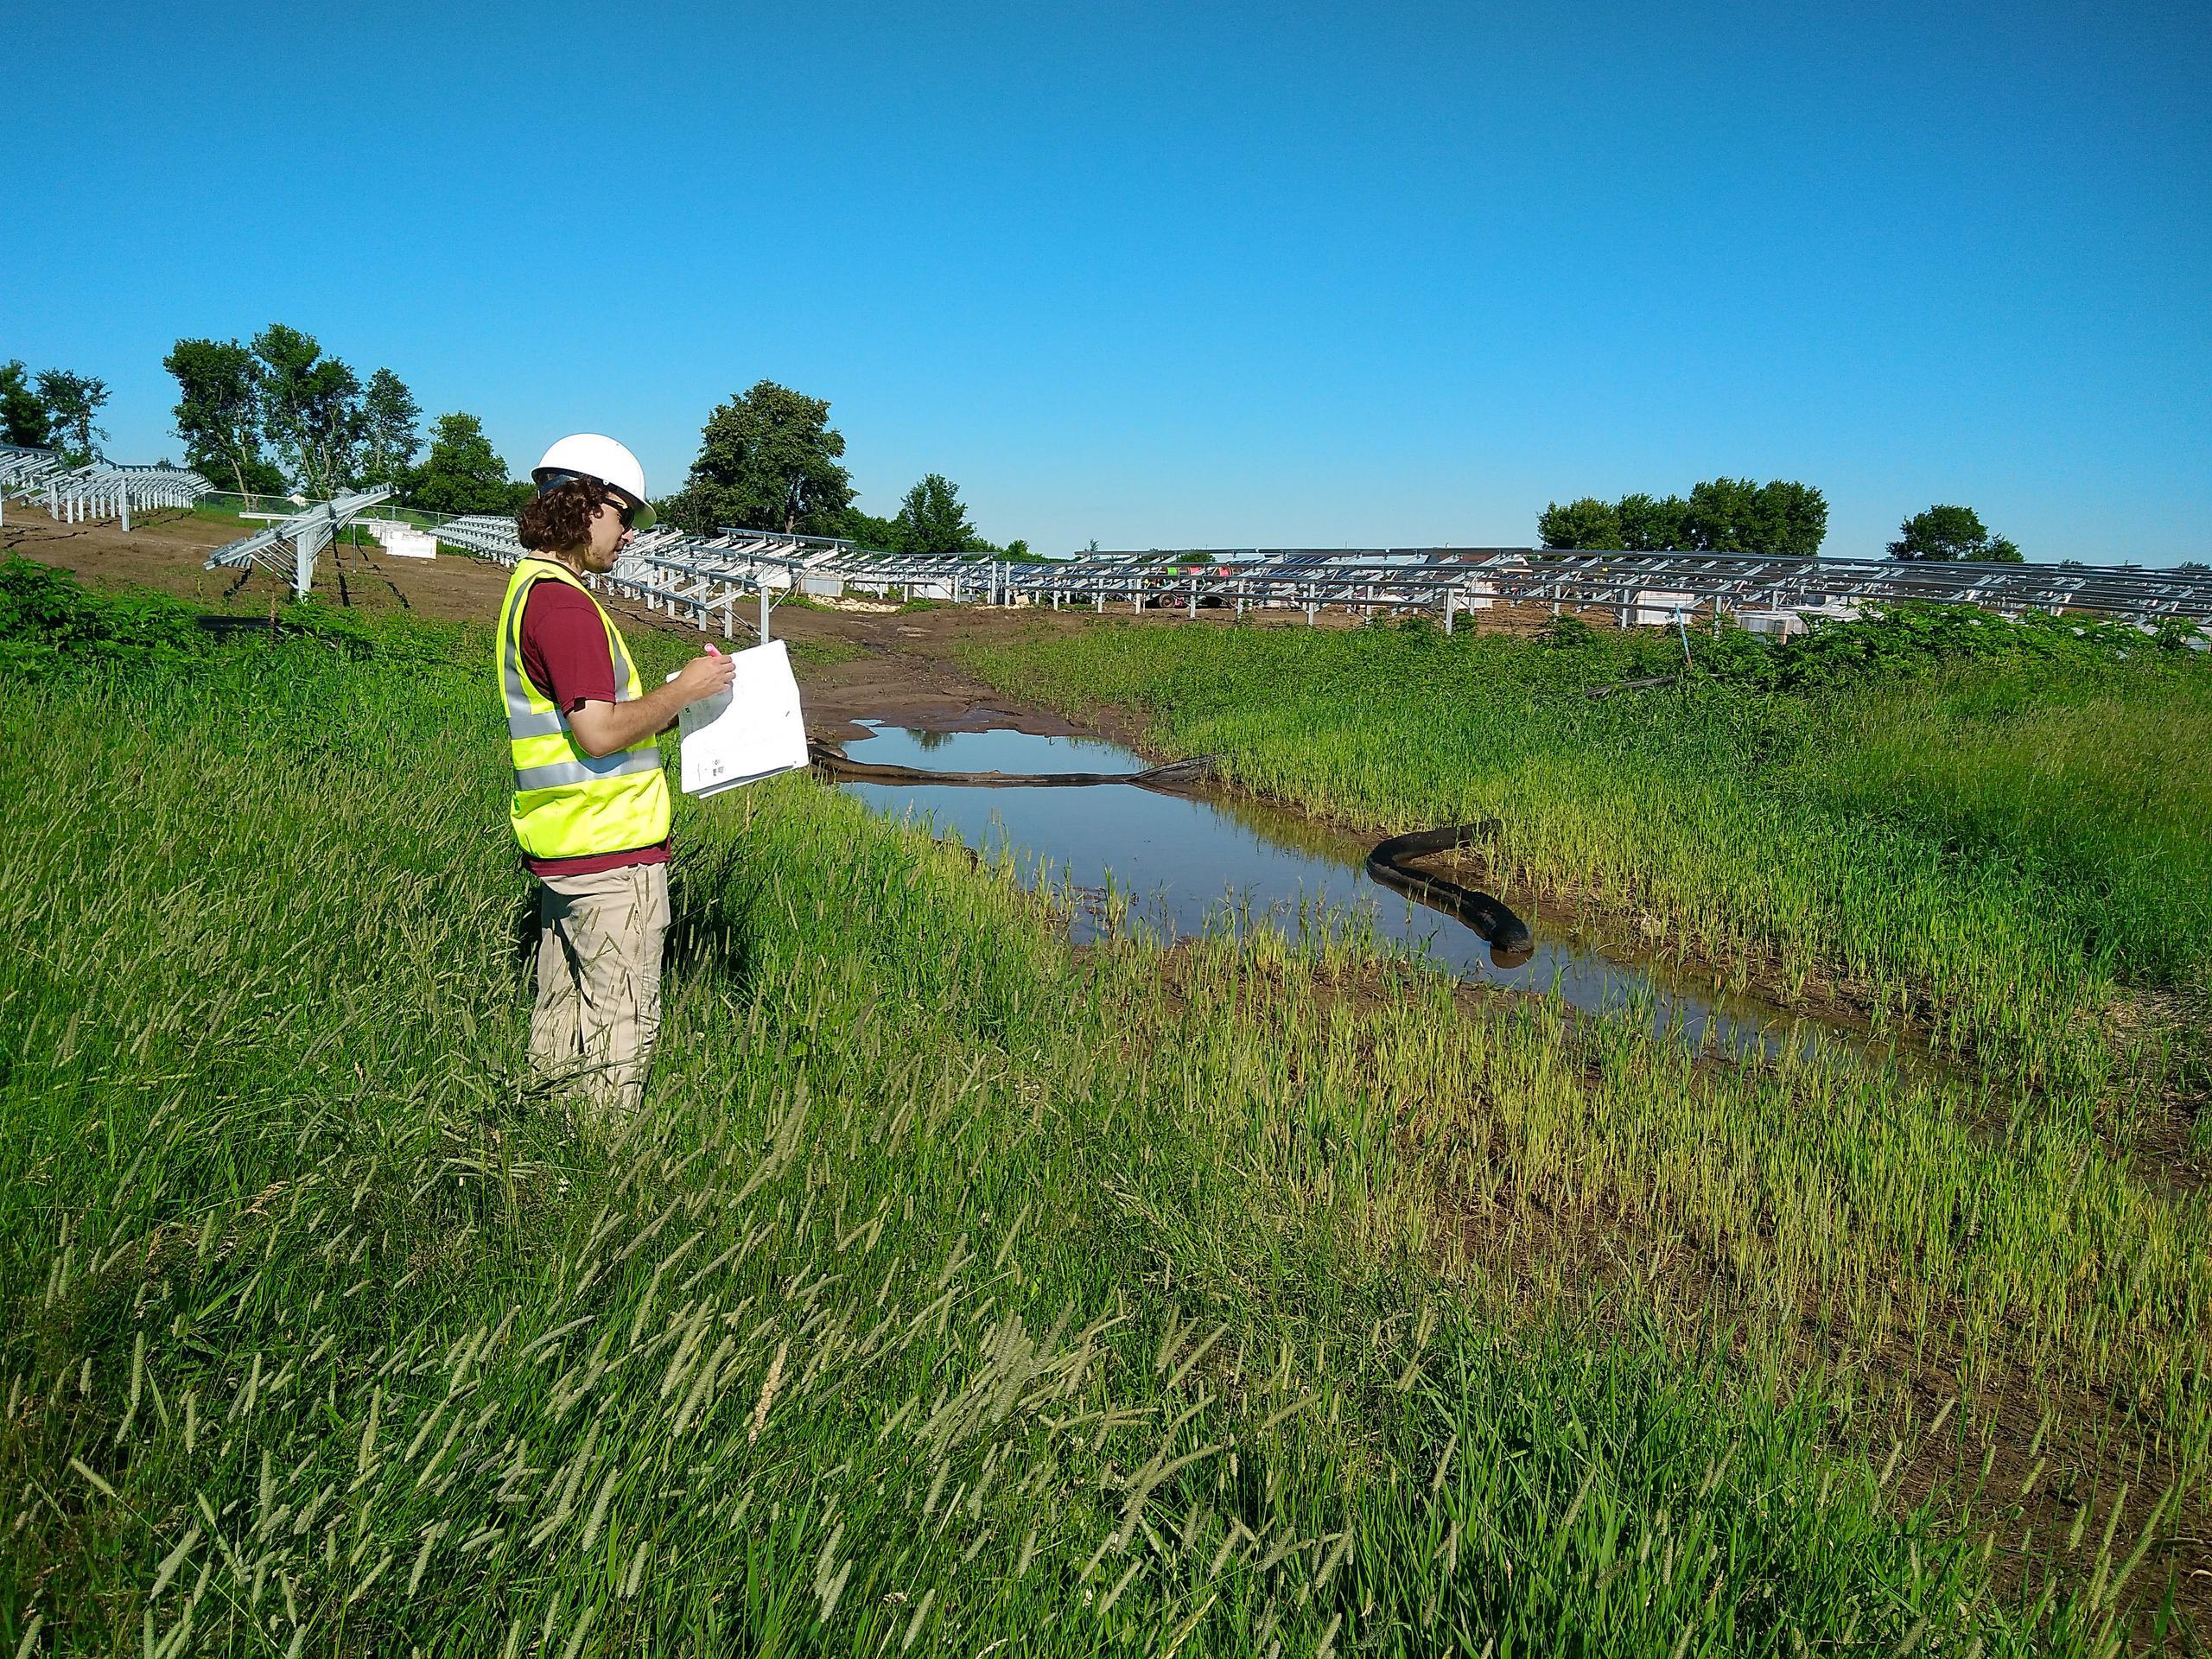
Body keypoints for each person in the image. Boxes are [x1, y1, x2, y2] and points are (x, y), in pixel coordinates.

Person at [496, 434, 734, 1119]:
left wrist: (659, 706)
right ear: (585, 503)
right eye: (624, 515)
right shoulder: (568, 606)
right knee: (620, 1027)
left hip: (565, 851)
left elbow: (582, 720)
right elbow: (597, 732)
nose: (629, 534)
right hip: (609, 856)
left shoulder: (530, 589)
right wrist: (685, 691)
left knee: (562, 1018)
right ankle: (600, 1168)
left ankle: (544, 1147)